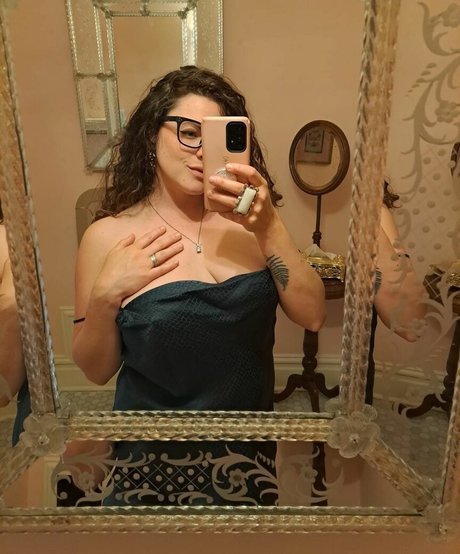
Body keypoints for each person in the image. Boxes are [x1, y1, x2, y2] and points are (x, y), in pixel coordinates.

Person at [71, 65, 326, 506]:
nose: (201, 150)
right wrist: (105, 296)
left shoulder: (255, 227)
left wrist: (270, 228)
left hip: (247, 460)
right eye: (189, 132)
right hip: (152, 465)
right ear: (151, 135)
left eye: (215, 136)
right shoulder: (108, 236)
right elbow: (96, 370)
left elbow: (314, 314)